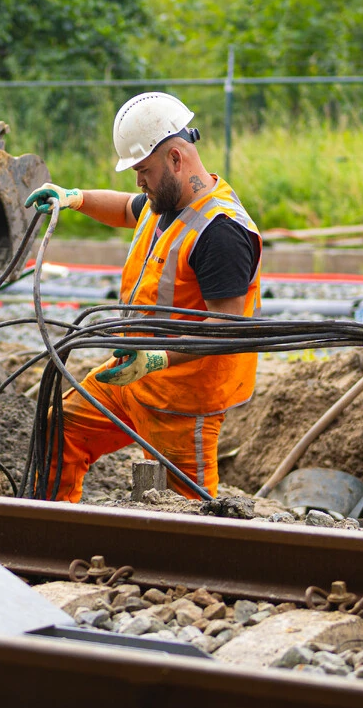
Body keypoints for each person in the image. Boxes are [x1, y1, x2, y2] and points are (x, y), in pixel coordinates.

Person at [24, 92, 262, 501]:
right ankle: (55, 536)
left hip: (181, 401)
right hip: (131, 376)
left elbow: (226, 329)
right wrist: (75, 198)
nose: (138, 181)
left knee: (187, 511)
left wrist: (156, 358)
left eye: (143, 170)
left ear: (175, 158)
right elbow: (125, 209)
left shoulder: (221, 231)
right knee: (59, 429)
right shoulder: (164, 199)